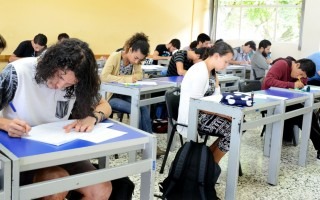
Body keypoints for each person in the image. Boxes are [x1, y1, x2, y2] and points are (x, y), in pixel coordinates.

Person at [0, 38, 113, 199]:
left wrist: (92, 117)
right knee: (56, 182)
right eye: (59, 77)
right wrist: (5, 124)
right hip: (21, 152)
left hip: (58, 150)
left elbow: (105, 106)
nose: (60, 86)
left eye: (68, 84)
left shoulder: (76, 83)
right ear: (50, 64)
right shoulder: (17, 72)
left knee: (101, 188)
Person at [100, 32, 165, 157]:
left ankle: (150, 145)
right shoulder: (115, 56)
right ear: (130, 50)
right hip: (111, 98)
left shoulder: (136, 62)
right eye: (135, 57)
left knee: (143, 108)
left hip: (126, 95)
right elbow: (104, 76)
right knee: (137, 109)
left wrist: (123, 76)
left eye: (140, 60)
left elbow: (139, 75)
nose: (137, 61)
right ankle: (142, 145)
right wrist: (127, 78)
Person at [177, 41, 234, 163]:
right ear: (216, 56)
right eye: (226, 61)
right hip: (194, 116)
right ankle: (211, 165)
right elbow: (196, 104)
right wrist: (224, 114)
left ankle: (207, 163)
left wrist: (226, 112)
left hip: (207, 112)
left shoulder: (212, 72)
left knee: (239, 125)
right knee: (233, 129)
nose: (226, 65)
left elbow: (216, 97)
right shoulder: (199, 71)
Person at [262, 57, 320, 160]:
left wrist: (302, 82)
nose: (300, 77)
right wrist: (292, 84)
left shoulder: (297, 71)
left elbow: (304, 80)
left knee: (309, 113)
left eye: (303, 76)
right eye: (300, 74)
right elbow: (268, 81)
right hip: (270, 103)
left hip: (285, 102)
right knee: (302, 115)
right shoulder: (282, 64)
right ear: (297, 65)